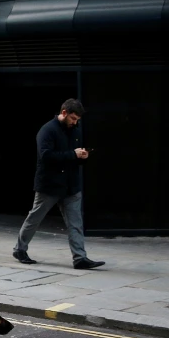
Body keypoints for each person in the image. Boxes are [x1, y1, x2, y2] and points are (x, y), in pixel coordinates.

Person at [13, 98, 105, 270]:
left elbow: (73, 157)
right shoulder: (47, 130)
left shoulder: (75, 131)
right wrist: (73, 154)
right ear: (64, 113)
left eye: (77, 119)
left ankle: (80, 258)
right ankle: (20, 249)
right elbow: (46, 156)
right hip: (50, 185)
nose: (75, 122)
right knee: (35, 218)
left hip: (71, 185)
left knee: (75, 223)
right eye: (73, 118)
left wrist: (82, 157)